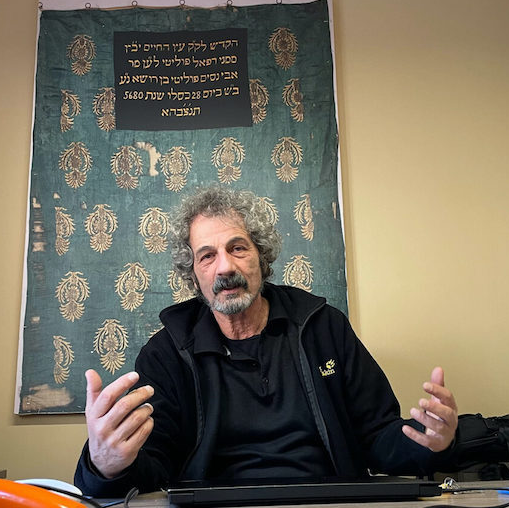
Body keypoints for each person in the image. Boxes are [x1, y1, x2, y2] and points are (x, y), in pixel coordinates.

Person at [74, 184, 459, 496]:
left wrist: (429, 441)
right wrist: (104, 464)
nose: (225, 266)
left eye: (238, 248)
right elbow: (152, 468)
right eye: (207, 256)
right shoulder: (166, 355)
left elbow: (378, 436)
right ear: (193, 274)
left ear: (262, 255)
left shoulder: (323, 327)